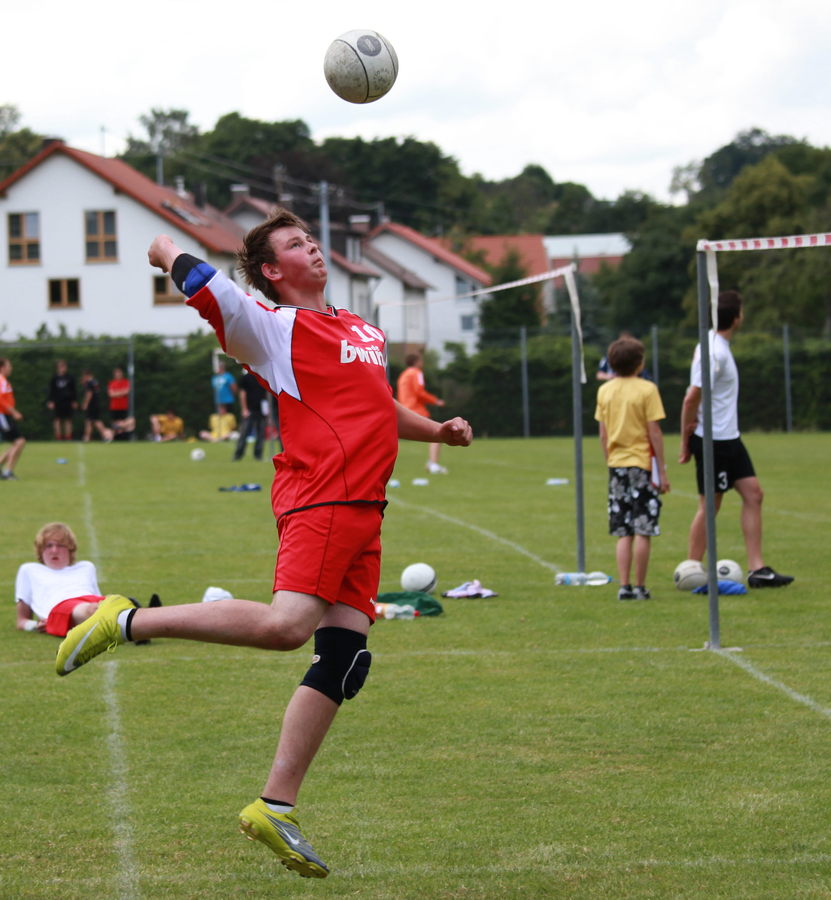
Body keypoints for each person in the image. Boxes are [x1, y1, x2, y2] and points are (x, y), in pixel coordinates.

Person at [56, 208, 473, 880]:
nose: (313, 247)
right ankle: (125, 620)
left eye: (311, 238)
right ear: (273, 271)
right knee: (286, 628)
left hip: (365, 507)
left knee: (344, 660)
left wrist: (438, 431)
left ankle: (275, 806)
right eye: (296, 244)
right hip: (323, 497)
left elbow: (377, 405)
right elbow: (213, 291)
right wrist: (164, 249)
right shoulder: (274, 328)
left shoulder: (361, 328)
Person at [679, 289, 793, 588]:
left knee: (754, 494)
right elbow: (691, 398)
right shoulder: (713, 352)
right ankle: (691, 569)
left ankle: (758, 570)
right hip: (713, 440)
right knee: (710, 506)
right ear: (736, 317)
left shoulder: (717, 345)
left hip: (730, 437)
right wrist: (685, 441)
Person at [595, 336, 669, 601]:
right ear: (640, 363)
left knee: (623, 531)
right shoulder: (647, 389)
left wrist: (610, 460)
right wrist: (662, 470)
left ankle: (624, 586)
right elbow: (654, 431)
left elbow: (603, 434)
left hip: (617, 465)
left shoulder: (605, 391)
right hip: (642, 465)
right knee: (643, 529)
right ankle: (640, 586)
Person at [15, 522, 161, 636]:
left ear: (70, 548)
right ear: (40, 550)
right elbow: (21, 621)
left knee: (105, 606)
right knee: (94, 610)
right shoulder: (30, 570)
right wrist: (35, 625)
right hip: (60, 609)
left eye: (60, 545)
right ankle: (145, 620)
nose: (54, 550)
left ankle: (145, 624)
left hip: (91, 602)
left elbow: (97, 596)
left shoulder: (85, 567)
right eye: (48, 546)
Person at [396, 352, 447, 474]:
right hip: (415, 409)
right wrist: (436, 401)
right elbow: (419, 392)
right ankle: (433, 465)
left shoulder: (403, 375)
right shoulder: (417, 373)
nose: (422, 363)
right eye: (421, 360)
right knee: (438, 433)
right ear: (416, 362)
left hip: (403, 409)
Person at [0, 357, 26, 480]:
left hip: (5, 415)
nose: (11, 368)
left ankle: (6, 470)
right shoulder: (1, 380)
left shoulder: (3, 380)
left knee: (17, 443)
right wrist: (14, 412)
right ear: (2, 367)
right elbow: (1, 399)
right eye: (9, 366)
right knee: (19, 442)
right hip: (2, 415)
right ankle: (8, 472)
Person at [234, 370, 268, 461]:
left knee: (260, 434)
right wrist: (244, 409)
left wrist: (266, 410)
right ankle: (238, 454)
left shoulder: (262, 377)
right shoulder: (246, 378)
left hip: (261, 410)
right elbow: (243, 394)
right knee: (244, 432)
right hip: (250, 410)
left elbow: (266, 394)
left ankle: (258, 455)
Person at [46, 359, 77, 440]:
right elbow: (51, 390)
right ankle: (58, 437)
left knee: (68, 419)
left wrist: (74, 401)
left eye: (64, 366)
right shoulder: (54, 378)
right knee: (57, 419)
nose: (63, 368)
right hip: (57, 401)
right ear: (57, 368)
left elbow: (73, 390)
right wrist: (50, 401)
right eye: (61, 367)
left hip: (68, 401)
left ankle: (68, 437)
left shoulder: (70, 378)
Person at [80, 369, 113, 442]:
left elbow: (89, 394)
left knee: (96, 421)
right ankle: (87, 437)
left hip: (92, 405)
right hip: (96, 404)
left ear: (87, 375)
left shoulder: (89, 383)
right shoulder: (95, 382)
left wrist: (85, 404)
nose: (83, 378)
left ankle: (106, 436)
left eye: (84, 376)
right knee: (89, 421)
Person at [108, 367, 133, 440]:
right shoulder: (112, 383)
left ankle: (123, 437)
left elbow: (127, 391)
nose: (118, 374)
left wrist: (116, 393)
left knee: (124, 423)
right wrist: (121, 393)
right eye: (116, 373)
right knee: (114, 423)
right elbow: (111, 394)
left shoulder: (126, 382)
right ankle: (114, 438)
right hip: (114, 407)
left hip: (123, 406)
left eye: (119, 373)